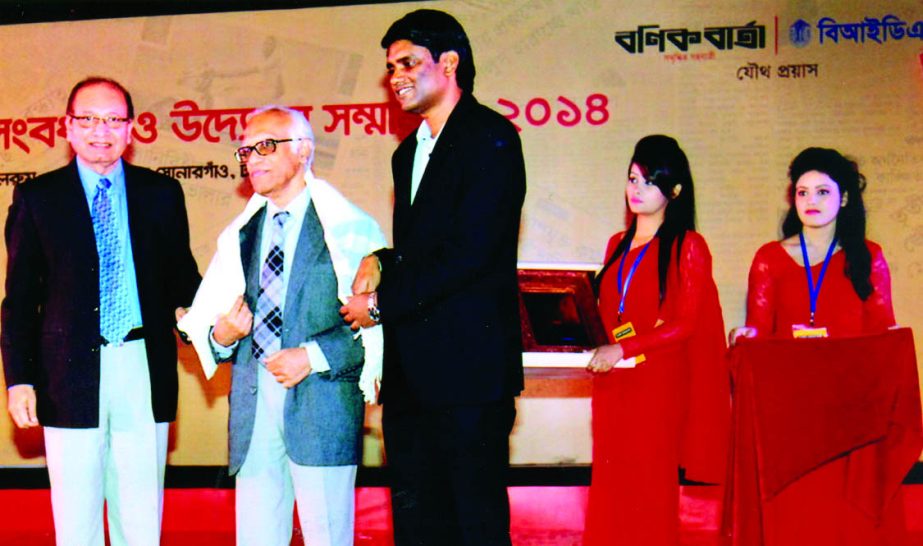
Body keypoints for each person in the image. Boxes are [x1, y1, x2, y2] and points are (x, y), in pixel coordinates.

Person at [339, 9, 526, 546]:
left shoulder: (492, 137)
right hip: (412, 377)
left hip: (469, 376)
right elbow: (426, 251)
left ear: (449, 63)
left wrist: (379, 306)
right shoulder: (407, 153)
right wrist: (382, 257)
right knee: (418, 527)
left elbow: (471, 252)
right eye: (390, 67)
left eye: (408, 63)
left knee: (475, 524)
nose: (395, 75)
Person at [1, 77, 201, 546]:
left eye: (113, 120)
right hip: (65, 373)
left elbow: (183, 281)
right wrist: (20, 380)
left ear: (131, 130)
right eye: (88, 119)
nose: (101, 130)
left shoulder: (162, 194)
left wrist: (210, 321)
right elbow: (19, 298)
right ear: (67, 128)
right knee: (76, 517)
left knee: (140, 514)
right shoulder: (38, 198)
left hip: (141, 366)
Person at [180, 105, 385, 546]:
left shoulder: (349, 229)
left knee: (327, 536)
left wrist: (310, 357)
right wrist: (222, 335)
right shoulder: (243, 233)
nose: (253, 158)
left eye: (267, 146)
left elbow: (377, 327)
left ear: (304, 151)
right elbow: (215, 327)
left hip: (323, 404)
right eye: (246, 149)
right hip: (254, 405)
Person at [728, 147, 905, 545]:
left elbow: (881, 332)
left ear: (843, 198)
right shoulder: (769, 259)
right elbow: (760, 330)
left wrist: (895, 338)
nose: (811, 201)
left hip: (850, 415)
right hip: (792, 415)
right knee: (797, 518)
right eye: (803, 192)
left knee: (844, 521)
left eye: (823, 192)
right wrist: (743, 338)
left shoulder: (869, 256)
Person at [583, 135, 729, 546]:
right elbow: (608, 315)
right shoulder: (617, 244)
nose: (636, 189)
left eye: (649, 181)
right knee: (610, 485)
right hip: (613, 383)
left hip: (658, 387)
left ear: (674, 191)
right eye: (632, 178)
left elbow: (685, 324)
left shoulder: (689, 246)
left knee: (648, 490)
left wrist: (623, 348)